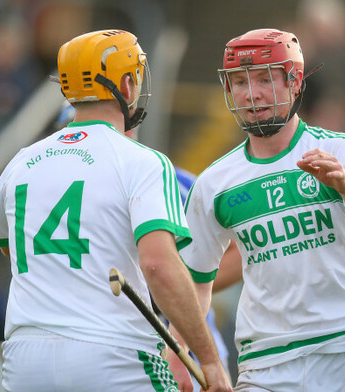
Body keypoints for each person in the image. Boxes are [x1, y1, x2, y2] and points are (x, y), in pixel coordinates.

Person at [0, 29, 231, 392]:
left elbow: (9, 246)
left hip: (24, 359)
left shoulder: (19, 162)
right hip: (112, 355)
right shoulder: (144, 162)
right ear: (127, 85)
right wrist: (208, 360)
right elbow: (158, 266)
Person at [173, 28, 345, 391]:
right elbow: (195, 283)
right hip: (264, 361)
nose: (252, 93)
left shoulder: (344, 151)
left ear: (294, 82)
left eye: (264, 79)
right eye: (240, 83)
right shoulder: (214, 182)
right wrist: (179, 354)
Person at [55, 100, 232, 392]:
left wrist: (177, 287)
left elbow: (234, 250)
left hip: (185, 348)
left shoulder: (175, 183)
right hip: (114, 348)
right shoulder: (62, 192)